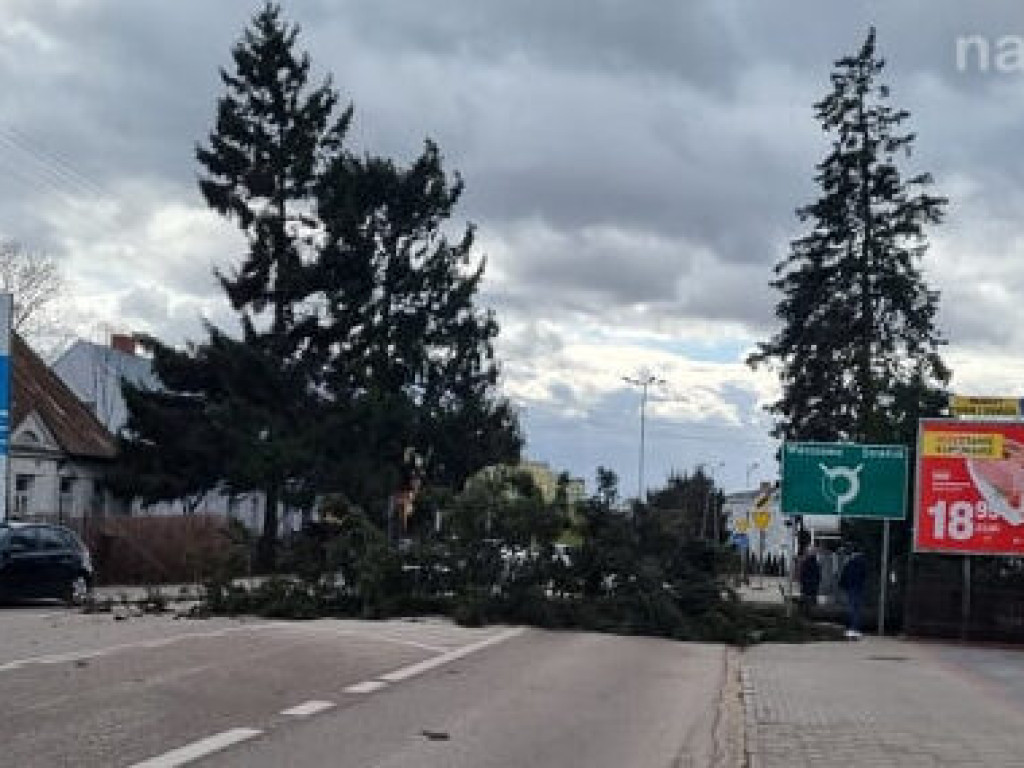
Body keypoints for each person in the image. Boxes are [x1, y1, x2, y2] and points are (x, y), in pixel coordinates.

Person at [839, 547, 867, 639]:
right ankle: (855, 628)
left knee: (852, 609)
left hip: (852, 588)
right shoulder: (863, 563)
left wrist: (843, 585)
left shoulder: (852, 563)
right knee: (857, 609)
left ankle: (852, 628)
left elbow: (845, 574)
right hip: (858, 588)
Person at [797, 545, 821, 617]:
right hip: (813, 586)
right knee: (811, 602)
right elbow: (818, 576)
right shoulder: (816, 564)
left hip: (806, 585)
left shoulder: (805, 563)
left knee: (805, 601)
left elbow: (802, 575)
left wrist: (801, 582)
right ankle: (810, 615)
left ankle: (803, 615)